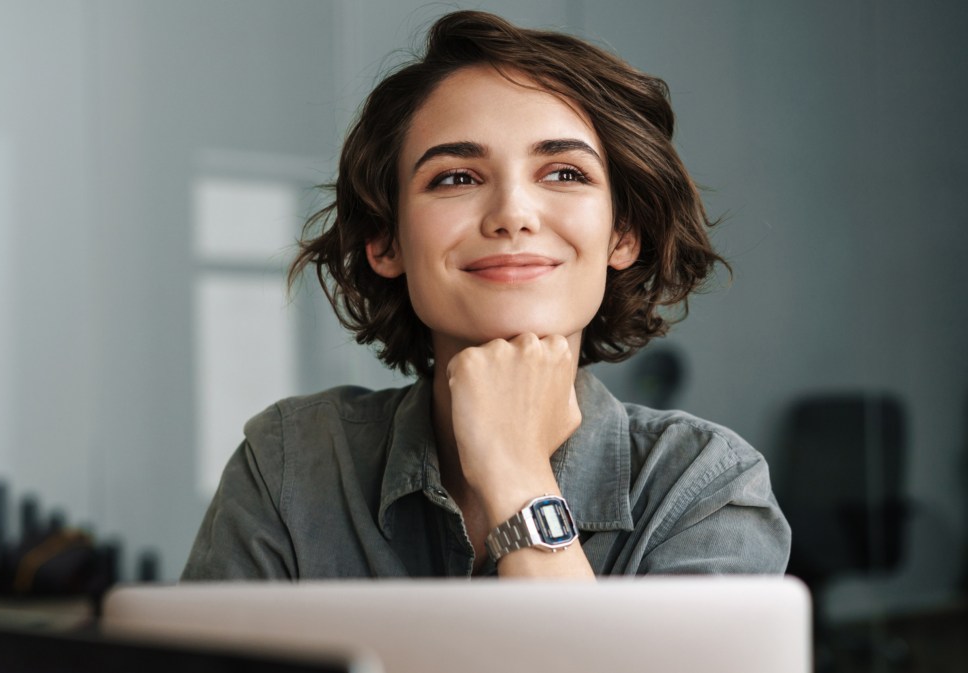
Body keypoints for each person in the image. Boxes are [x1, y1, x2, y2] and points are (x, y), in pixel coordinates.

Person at [182, 10, 790, 580]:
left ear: (622, 234)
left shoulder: (705, 488)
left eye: (564, 173)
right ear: (385, 241)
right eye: (455, 177)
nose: (513, 215)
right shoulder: (289, 465)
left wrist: (515, 473)